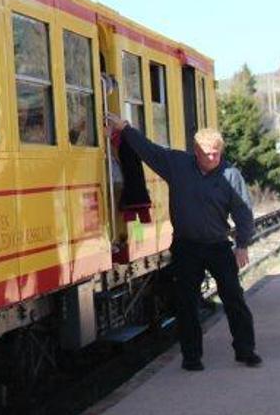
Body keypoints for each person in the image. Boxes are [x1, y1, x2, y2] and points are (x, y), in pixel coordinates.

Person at [106, 113, 261, 371]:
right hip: (186, 245)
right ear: (195, 151)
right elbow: (149, 151)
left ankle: (246, 350)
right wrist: (126, 130)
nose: (212, 158)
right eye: (207, 153)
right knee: (186, 302)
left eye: (216, 153)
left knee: (234, 297)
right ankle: (192, 357)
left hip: (218, 245)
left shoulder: (231, 175)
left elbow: (244, 211)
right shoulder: (178, 165)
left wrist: (242, 244)